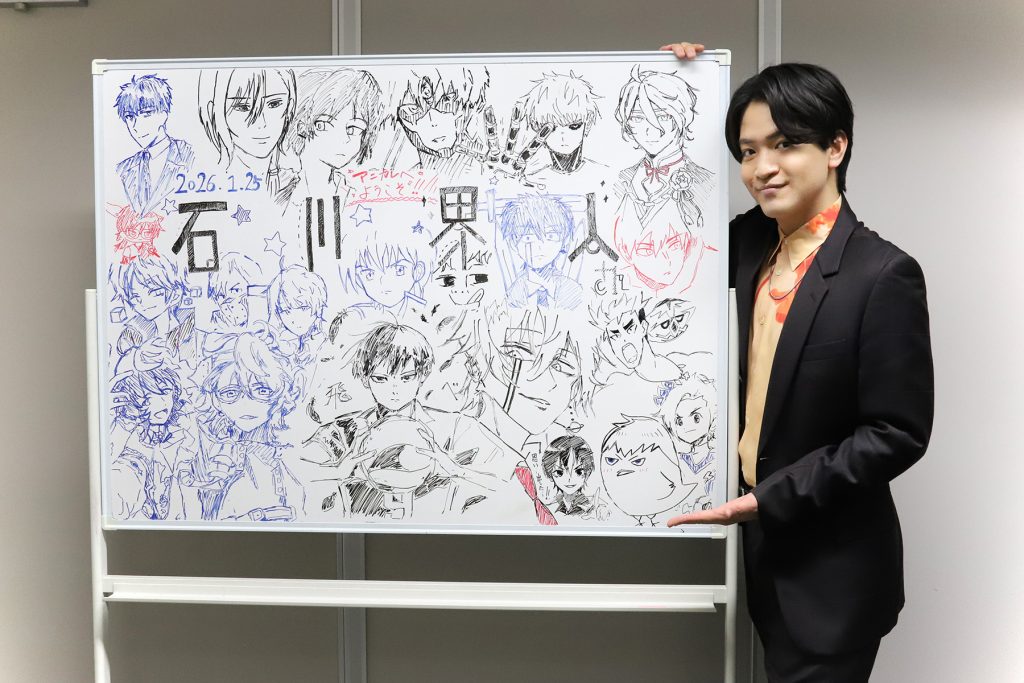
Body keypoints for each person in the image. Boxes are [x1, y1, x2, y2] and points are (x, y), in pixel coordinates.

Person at [663, 43, 934, 682]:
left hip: (834, 572)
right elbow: (658, 222)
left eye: (784, 145)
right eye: (747, 151)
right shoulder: (744, 243)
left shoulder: (883, 274)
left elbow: (896, 434)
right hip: (763, 559)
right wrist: (676, 80)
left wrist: (767, 499)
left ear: (835, 147)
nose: (762, 168)